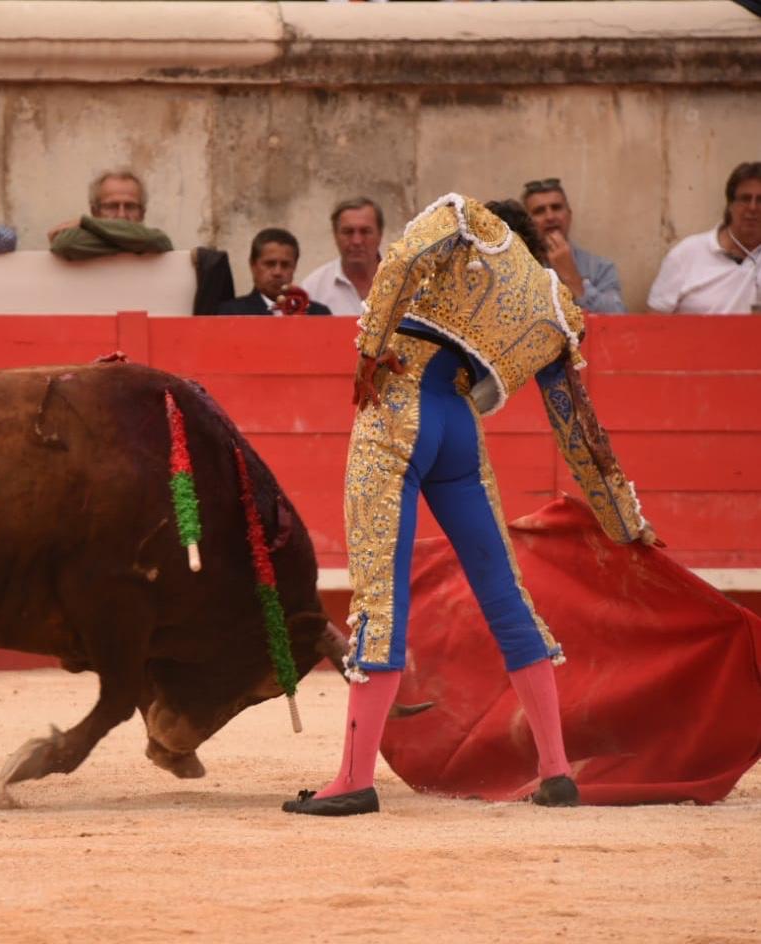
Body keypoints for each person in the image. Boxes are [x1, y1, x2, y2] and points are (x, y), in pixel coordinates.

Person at [281, 193, 657, 818]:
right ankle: (556, 771)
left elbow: (400, 259)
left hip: (400, 403)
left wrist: (369, 351)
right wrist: (626, 522)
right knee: (506, 594)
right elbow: (579, 432)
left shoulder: (467, 222)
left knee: (380, 591)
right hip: (460, 429)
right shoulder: (557, 308)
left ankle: (352, 778)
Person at [648, 161, 761, 314]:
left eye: (760, 200)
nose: (753, 208)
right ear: (730, 205)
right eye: (745, 199)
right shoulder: (687, 254)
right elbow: (655, 322)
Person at [521, 177, 626, 312]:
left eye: (556, 208)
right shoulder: (519, 268)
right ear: (527, 222)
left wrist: (573, 279)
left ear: (569, 215)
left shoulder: (600, 267)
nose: (550, 217)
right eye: (539, 211)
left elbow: (617, 318)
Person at [48, 170, 173, 260]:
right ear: (94, 211)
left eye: (130, 206)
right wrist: (130, 242)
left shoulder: (154, 239)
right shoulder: (146, 242)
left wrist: (85, 222)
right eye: (112, 206)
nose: (121, 214)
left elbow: (158, 241)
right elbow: (66, 243)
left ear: (142, 213)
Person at [209, 228, 330, 315]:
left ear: (294, 267)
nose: (277, 272)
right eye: (270, 264)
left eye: (285, 265)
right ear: (253, 265)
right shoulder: (231, 313)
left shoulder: (318, 314)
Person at [301, 197, 384, 315]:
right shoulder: (313, 288)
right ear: (335, 235)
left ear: (380, 234)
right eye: (348, 232)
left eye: (365, 231)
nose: (357, 241)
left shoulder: (405, 284)